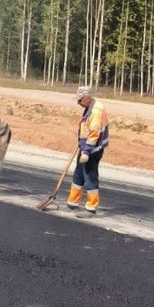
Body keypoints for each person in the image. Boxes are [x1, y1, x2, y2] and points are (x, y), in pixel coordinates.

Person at [66, 85, 109, 213]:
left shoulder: (96, 110)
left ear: (87, 97)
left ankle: (91, 207)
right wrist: (81, 144)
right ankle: (73, 202)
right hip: (85, 147)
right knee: (78, 174)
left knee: (90, 175)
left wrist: (86, 151)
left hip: (93, 150)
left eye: (80, 100)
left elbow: (94, 133)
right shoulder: (89, 107)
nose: (78, 102)